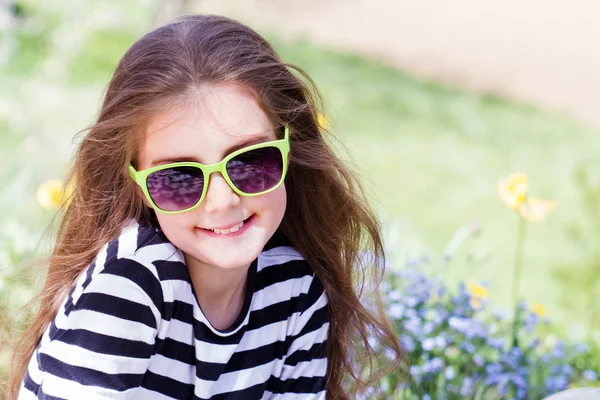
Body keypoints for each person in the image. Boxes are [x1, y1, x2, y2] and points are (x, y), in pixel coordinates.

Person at [8, 14, 403, 399]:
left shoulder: (294, 293)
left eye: (250, 162)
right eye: (180, 177)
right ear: (140, 187)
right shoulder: (130, 282)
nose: (222, 201)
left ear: (290, 151)